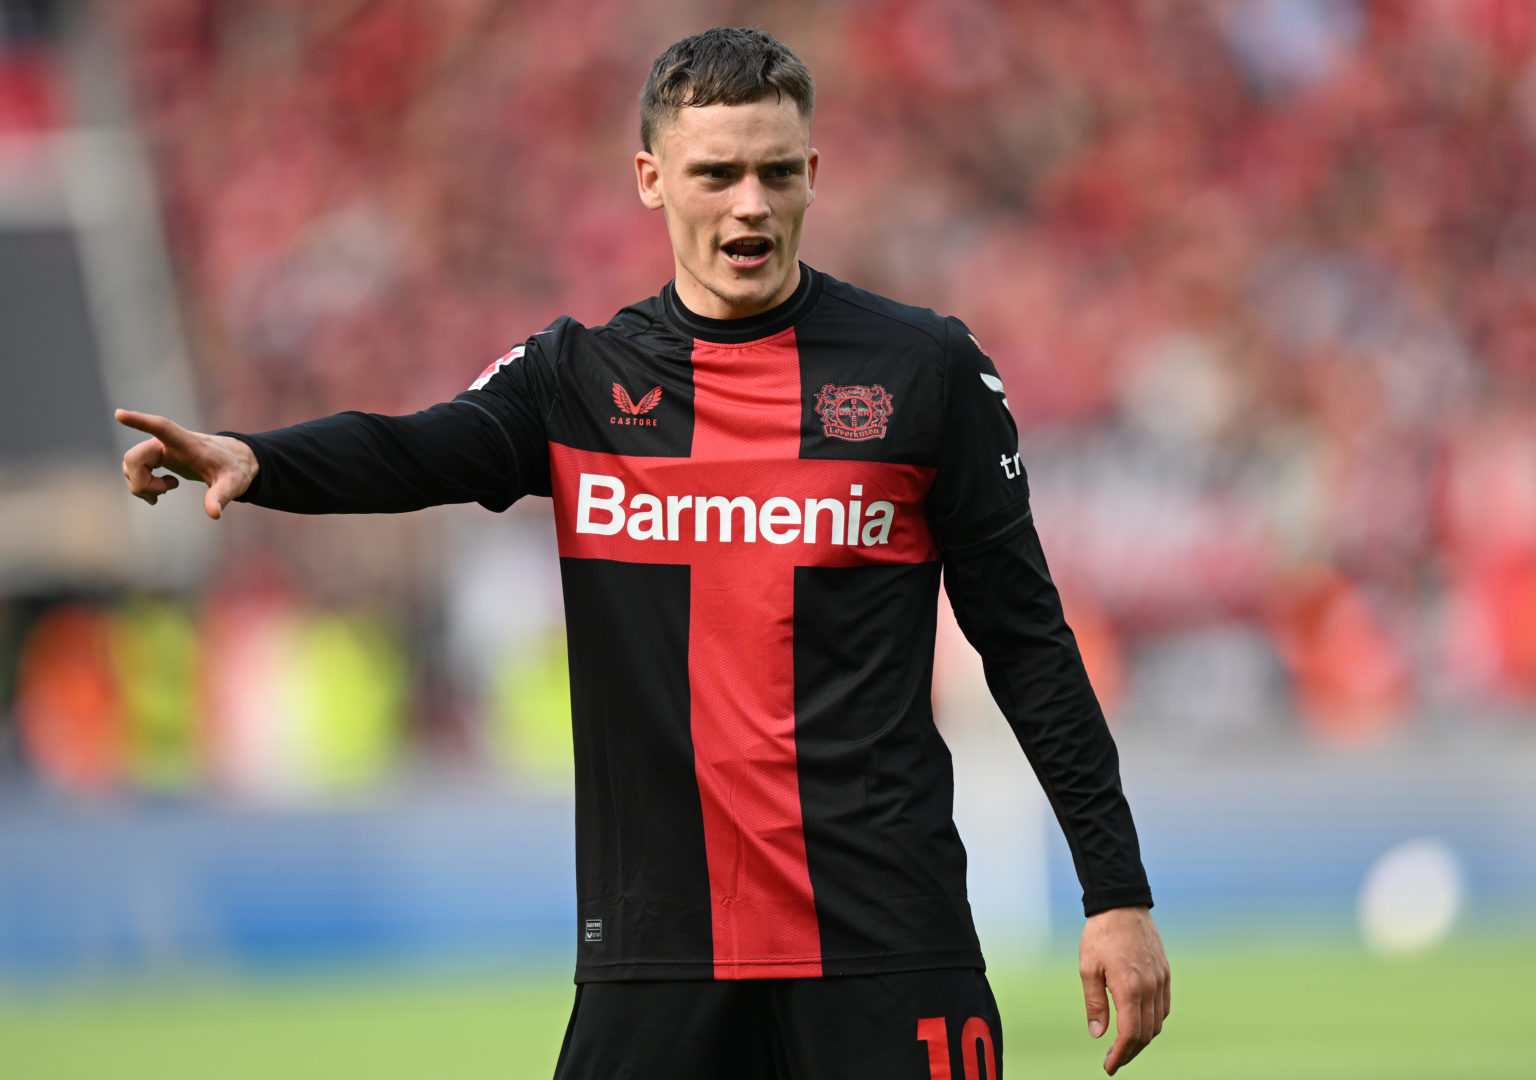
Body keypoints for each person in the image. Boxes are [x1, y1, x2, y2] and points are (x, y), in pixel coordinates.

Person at [117, 26, 1169, 1079]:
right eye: (715, 173)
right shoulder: (578, 380)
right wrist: (259, 458)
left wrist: (1115, 890)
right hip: (660, 951)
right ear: (651, 179)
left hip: (887, 940)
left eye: (774, 171)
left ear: (814, 174)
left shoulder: (922, 371)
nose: (748, 203)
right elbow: (419, 448)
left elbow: (1027, 640)